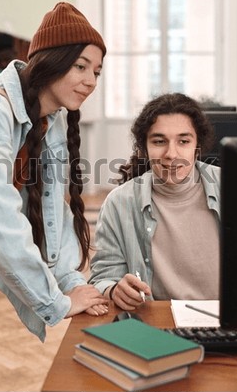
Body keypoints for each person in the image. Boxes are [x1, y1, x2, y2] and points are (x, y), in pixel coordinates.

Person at [0, 2, 108, 392]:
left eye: (97, 72)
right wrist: (57, 302)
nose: (90, 80)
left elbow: (55, 211)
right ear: (51, 61)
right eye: (80, 66)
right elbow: (0, 221)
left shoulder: (48, 121)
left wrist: (69, 281)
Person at [89, 93, 220, 311]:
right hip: (156, 323)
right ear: (145, 146)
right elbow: (103, 276)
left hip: (225, 321)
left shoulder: (233, 186)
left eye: (184, 141)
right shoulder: (119, 203)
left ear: (197, 145)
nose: (171, 153)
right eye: (159, 141)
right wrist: (113, 289)